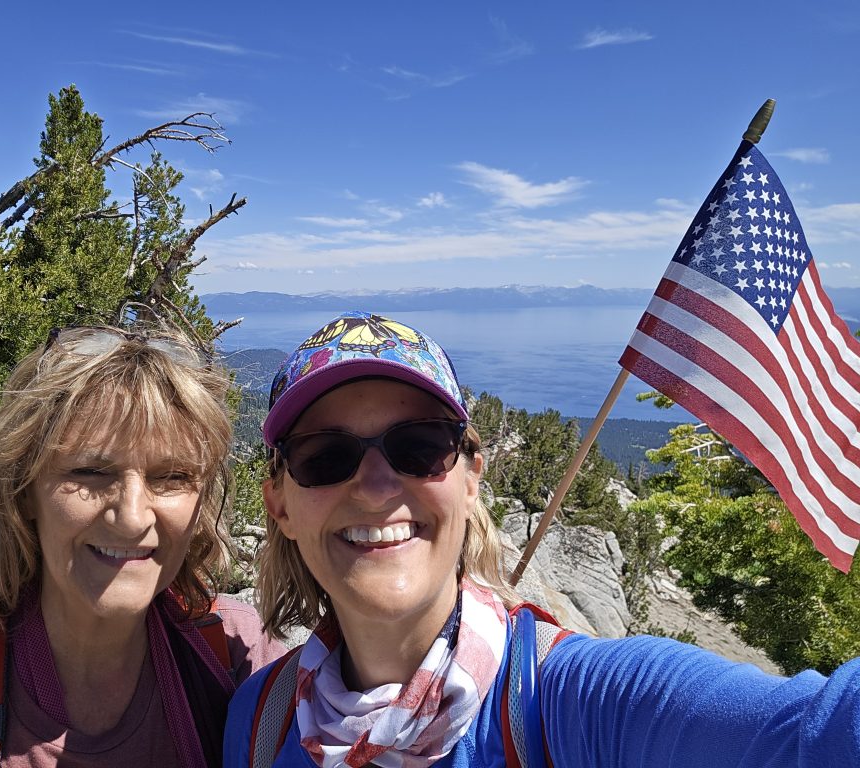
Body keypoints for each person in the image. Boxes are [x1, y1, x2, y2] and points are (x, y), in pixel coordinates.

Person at [224, 310, 860, 768]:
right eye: (324, 456)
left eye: (419, 447)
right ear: (278, 502)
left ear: (471, 477)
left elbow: (816, 736)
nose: (375, 484)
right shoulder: (258, 719)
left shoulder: (584, 706)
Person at [0, 319, 286, 766]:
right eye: (89, 472)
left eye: (172, 477)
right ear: (23, 491)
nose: (131, 518)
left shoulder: (244, 658)